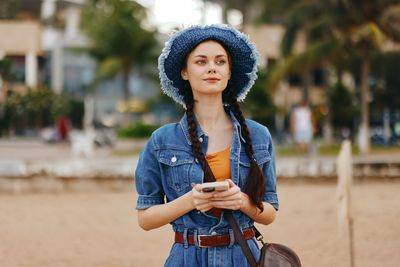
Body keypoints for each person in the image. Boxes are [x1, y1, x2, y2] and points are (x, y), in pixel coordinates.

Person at [135, 24, 278, 266]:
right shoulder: (161, 141)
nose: (212, 67)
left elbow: (270, 213)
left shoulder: (258, 135)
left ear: (229, 72)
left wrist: (241, 201)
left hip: (242, 256)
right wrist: (190, 201)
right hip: (187, 257)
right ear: (184, 72)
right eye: (201, 62)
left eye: (220, 61)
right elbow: (145, 218)